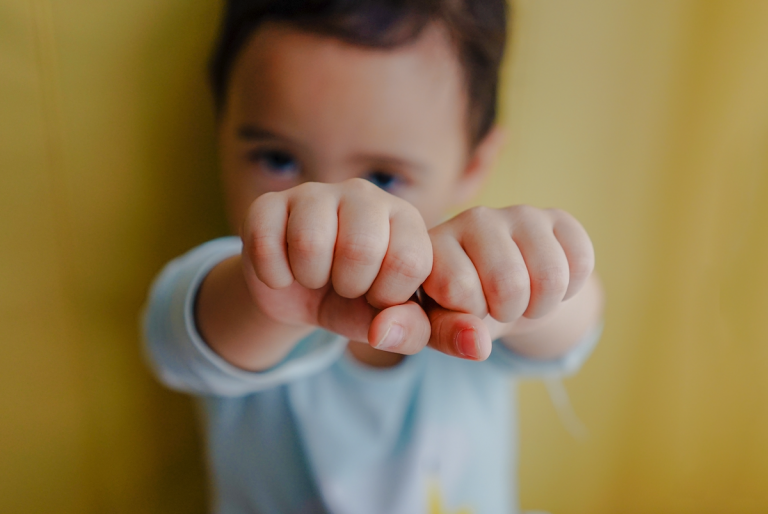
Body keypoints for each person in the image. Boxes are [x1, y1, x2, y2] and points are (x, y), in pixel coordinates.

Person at [142, 1, 604, 512]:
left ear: (473, 165)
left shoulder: (471, 285)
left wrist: (525, 278)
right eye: (277, 158)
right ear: (220, 128)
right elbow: (177, 345)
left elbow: (575, 326)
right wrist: (270, 295)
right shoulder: (232, 282)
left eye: (384, 177)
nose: (335, 209)